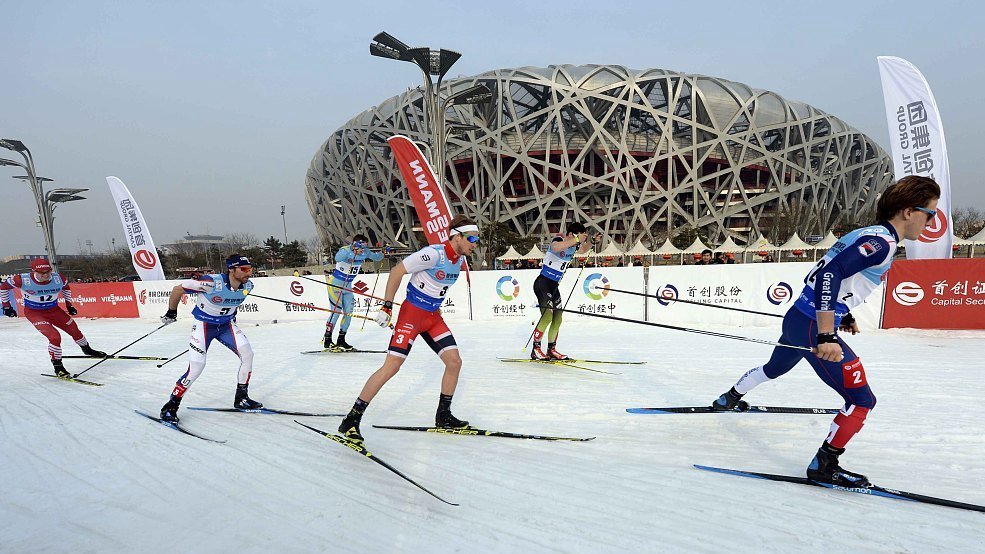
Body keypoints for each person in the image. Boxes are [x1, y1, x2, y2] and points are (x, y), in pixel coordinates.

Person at [709, 176, 940, 487]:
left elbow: (830, 278)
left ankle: (729, 398)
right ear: (908, 212)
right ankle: (825, 464)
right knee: (861, 400)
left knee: (773, 369)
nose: (931, 222)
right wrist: (827, 335)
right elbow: (831, 273)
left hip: (797, 318)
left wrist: (843, 314)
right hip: (812, 327)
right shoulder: (882, 242)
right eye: (931, 214)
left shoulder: (867, 233)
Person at [336, 216, 480, 442]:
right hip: (411, 316)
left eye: (477, 239)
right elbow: (396, 271)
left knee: (454, 362)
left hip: (432, 317)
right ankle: (351, 420)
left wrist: (436, 307)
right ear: (456, 236)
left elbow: (434, 286)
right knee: (392, 366)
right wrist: (387, 306)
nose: (475, 243)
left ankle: (443, 415)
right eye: (471, 238)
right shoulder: (434, 254)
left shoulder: (459, 260)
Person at [157, 254, 260, 422]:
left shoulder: (248, 285)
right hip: (204, 326)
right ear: (231, 270)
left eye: (250, 269)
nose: (249, 272)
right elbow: (178, 289)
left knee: (247, 354)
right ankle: (171, 405)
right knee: (197, 367)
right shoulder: (211, 283)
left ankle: (241, 398)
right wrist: (171, 312)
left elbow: (232, 303)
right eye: (244, 269)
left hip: (226, 326)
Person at [1, 258, 107, 376]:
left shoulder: (58, 278)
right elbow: (3, 287)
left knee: (74, 330)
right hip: (35, 313)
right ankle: (58, 367)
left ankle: (87, 350)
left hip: (54, 310)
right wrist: (6, 306)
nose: (46, 275)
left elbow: (66, 288)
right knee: (55, 337)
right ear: (34, 271)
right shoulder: (22, 279)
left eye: (48, 272)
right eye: (42, 273)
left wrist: (69, 304)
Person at [530, 222, 599, 361]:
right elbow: (556, 248)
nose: (581, 240)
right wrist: (577, 239)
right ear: (572, 234)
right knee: (547, 316)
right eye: (580, 236)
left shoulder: (574, 246)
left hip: (554, 286)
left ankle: (551, 349)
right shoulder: (559, 239)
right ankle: (536, 349)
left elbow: (583, 250)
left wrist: (591, 241)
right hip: (543, 283)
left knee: (558, 318)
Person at [322, 234, 386, 350]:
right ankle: (327, 339)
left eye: (365, 246)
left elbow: (377, 258)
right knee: (336, 312)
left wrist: (383, 252)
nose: (363, 250)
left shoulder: (365, 252)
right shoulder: (345, 250)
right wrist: (351, 249)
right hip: (335, 285)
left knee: (349, 313)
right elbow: (337, 258)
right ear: (355, 244)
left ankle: (341, 340)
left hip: (348, 287)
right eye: (361, 246)